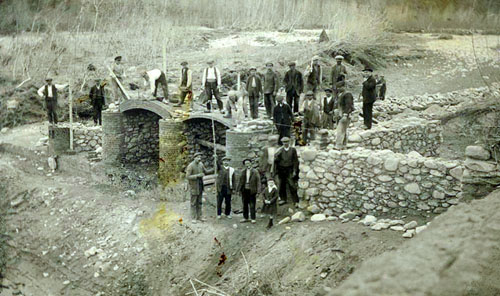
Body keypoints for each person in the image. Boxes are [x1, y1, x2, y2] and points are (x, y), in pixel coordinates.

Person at [186, 152, 213, 223]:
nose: (199, 159)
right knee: (193, 203)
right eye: (198, 157)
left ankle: (200, 217)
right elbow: (187, 176)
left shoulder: (201, 164)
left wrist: (214, 168)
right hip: (194, 187)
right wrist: (197, 176)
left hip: (200, 186)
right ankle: (193, 218)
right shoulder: (190, 166)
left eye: (200, 157)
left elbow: (206, 172)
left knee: (200, 202)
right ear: (194, 158)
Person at [273, 137, 299, 207]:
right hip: (281, 170)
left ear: (289, 142)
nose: (285, 143)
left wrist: (294, 170)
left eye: (287, 142)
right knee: (282, 185)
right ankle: (283, 199)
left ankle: (295, 201)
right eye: (284, 142)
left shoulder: (293, 150)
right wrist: (276, 156)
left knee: (292, 185)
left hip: (289, 169)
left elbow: (295, 161)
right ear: (282, 143)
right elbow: (276, 161)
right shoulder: (280, 150)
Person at [238, 159, 260, 224]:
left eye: (248, 163)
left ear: (251, 163)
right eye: (246, 163)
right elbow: (240, 181)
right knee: (245, 205)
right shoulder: (243, 171)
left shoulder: (255, 171)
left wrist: (258, 191)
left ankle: (253, 218)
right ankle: (245, 218)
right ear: (244, 165)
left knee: (252, 205)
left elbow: (258, 182)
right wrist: (239, 190)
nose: (247, 164)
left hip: (252, 190)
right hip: (244, 190)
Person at [336, 84, 354, 149]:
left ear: (344, 87)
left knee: (340, 130)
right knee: (344, 130)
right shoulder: (341, 94)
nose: (339, 88)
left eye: (340, 86)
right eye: (338, 87)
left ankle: (339, 145)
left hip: (345, 114)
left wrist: (345, 114)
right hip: (341, 114)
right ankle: (344, 145)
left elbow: (348, 105)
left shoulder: (347, 94)